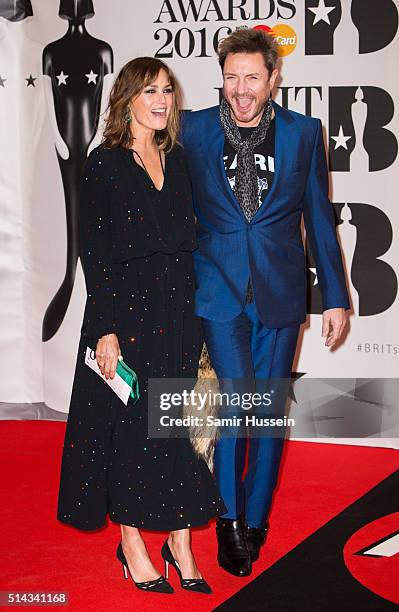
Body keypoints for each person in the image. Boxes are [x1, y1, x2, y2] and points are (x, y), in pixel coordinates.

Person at [181, 29, 350, 577]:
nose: (241, 89)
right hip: (218, 290)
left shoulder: (304, 134)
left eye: (252, 77)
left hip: (279, 293)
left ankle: (256, 519)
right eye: (232, 77)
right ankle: (228, 521)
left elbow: (320, 221)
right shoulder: (194, 128)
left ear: (273, 79)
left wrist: (335, 297)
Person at [57, 56, 226, 595]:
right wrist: (104, 329)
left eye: (166, 91)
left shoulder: (177, 160)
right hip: (127, 314)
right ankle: (131, 542)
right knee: (131, 432)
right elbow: (95, 252)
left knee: (176, 428)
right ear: (126, 98)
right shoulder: (103, 164)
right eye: (148, 90)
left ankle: (179, 540)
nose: (160, 100)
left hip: (180, 310)